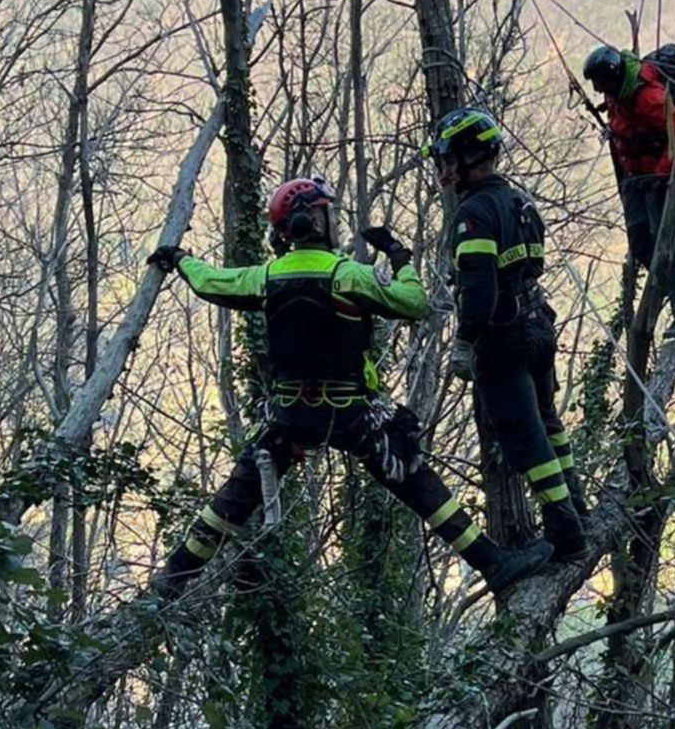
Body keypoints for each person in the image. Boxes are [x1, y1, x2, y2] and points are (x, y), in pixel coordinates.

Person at [147, 175, 552, 601]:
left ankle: (173, 577)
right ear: (311, 222)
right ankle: (492, 562)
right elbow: (413, 303)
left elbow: (211, 281)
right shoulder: (348, 275)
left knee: (239, 492)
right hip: (351, 414)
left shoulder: (265, 276)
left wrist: (180, 259)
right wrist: (399, 256)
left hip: (290, 416)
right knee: (414, 477)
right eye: (326, 214)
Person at [424, 106, 589, 560]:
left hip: (504, 339)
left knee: (524, 437)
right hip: (539, 325)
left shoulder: (473, 213)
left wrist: (463, 342)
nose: (443, 169)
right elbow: (532, 265)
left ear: (466, 156)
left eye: (446, 158)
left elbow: (477, 290)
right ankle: (578, 509)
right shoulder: (519, 202)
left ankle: (566, 535)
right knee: (550, 424)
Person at [583, 43, 675, 338]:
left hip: (657, 178)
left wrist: (662, 172)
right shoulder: (616, 94)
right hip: (634, 177)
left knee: (665, 245)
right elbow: (623, 119)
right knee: (642, 243)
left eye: (599, 83)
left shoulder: (649, 97)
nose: (597, 90)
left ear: (613, 76)